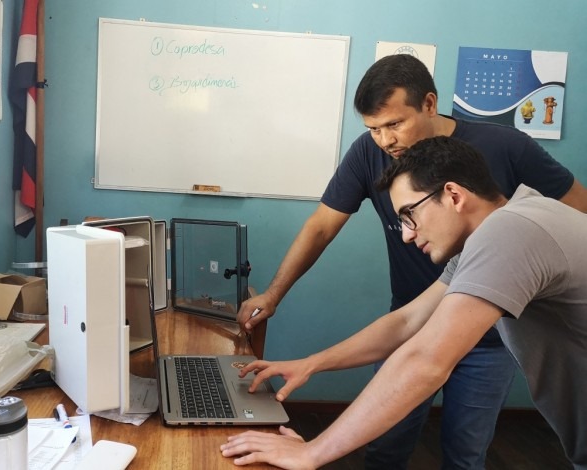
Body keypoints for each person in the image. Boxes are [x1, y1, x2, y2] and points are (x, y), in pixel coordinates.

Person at [236, 54, 587, 468]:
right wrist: (312, 364)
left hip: (495, 350)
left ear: (454, 195)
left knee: (465, 453)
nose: (404, 233)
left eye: (410, 216)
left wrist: (313, 451)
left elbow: (426, 359)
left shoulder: (509, 233)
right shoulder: (481, 239)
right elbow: (406, 324)